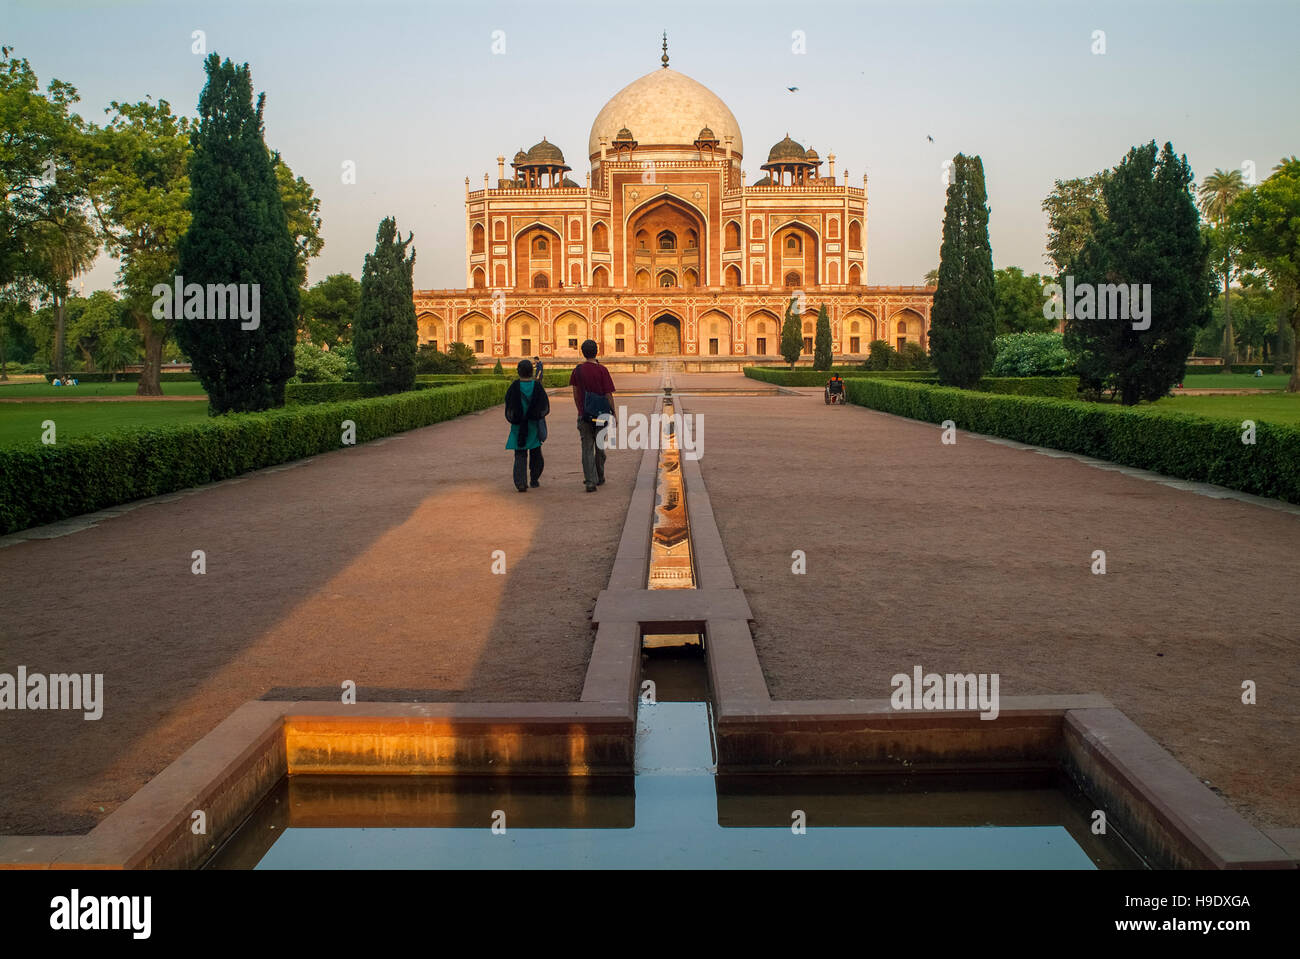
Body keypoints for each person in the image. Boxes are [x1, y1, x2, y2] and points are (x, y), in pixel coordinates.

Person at [569, 339, 616, 492]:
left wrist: (581, 410)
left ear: (582, 352)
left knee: (587, 448)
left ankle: (590, 481)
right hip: (601, 414)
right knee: (600, 446)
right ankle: (600, 476)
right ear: (596, 351)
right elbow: (608, 394)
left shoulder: (577, 371)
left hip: (585, 415)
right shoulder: (602, 370)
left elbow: (575, 394)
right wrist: (613, 413)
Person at [504, 359, 549, 492]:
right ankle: (534, 479)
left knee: (520, 454)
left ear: (518, 371)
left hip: (518, 427)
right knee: (536, 455)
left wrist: (517, 418)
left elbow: (509, 406)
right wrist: (535, 415)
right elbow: (544, 407)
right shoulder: (537, 386)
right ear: (531, 371)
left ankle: (521, 483)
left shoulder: (514, 386)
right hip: (533, 426)